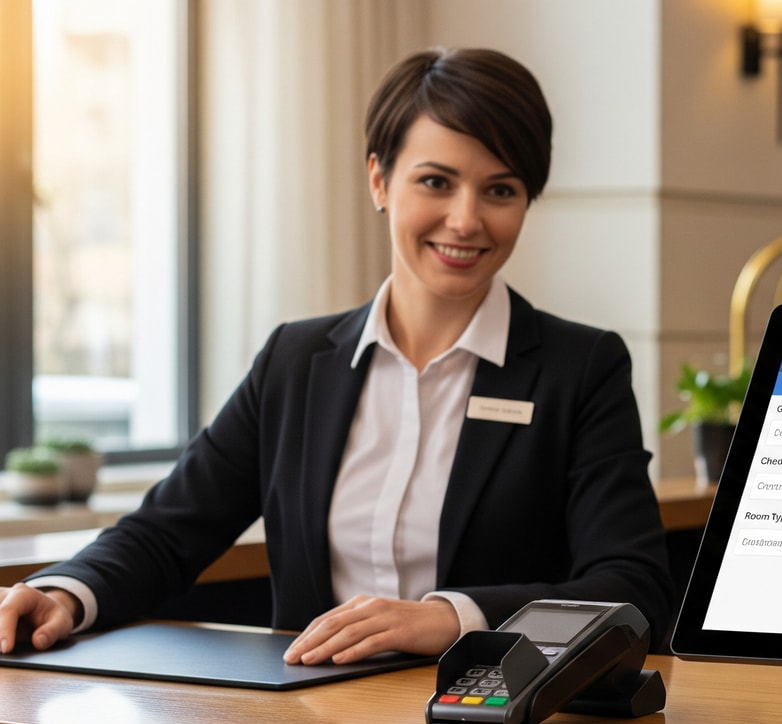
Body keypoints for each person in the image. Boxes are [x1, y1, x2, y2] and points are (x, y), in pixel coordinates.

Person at [0, 47, 673, 664]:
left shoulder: (579, 369)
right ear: (380, 180)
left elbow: (630, 585)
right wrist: (67, 591)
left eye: (500, 190)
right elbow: (166, 531)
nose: (467, 220)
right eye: (436, 182)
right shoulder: (295, 361)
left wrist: (450, 618)